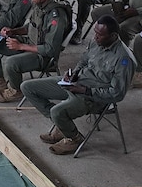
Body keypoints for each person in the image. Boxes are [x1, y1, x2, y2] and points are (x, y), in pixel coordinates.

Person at [21, 15, 134, 156]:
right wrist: (73, 73)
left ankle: (74, 138)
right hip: (76, 82)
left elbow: (117, 93)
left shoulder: (123, 59)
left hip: (95, 97)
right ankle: (62, 125)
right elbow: (84, 60)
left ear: (113, 36)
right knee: (28, 87)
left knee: (56, 111)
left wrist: (86, 90)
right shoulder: (96, 42)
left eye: (100, 35)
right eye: (95, 32)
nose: (95, 37)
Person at [0, 0, 72, 103]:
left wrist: (20, 47)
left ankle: (16, 91)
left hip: (42, 55)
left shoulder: (56, 17)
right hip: (30, 43)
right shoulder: (39, 5)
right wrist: (13, 31)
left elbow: (50, 50)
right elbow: (31, 27)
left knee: (11, 63)